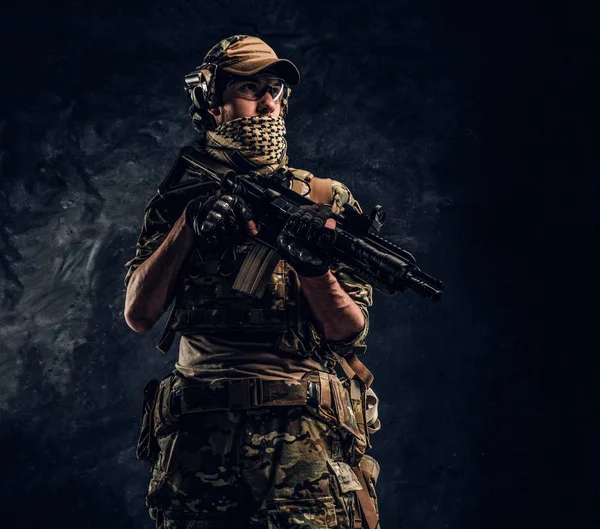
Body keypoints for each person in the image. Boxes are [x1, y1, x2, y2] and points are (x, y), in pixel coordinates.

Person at [124, 35, 381, 529]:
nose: (267, 103)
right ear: (211, 102)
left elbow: (349, 331)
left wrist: (312, 266)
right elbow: (139, 314)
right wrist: (188, 226)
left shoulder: (325, 199)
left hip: (300, 439)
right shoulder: (181, 196)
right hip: (199, 440)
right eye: (249, 88)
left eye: (276, 91)